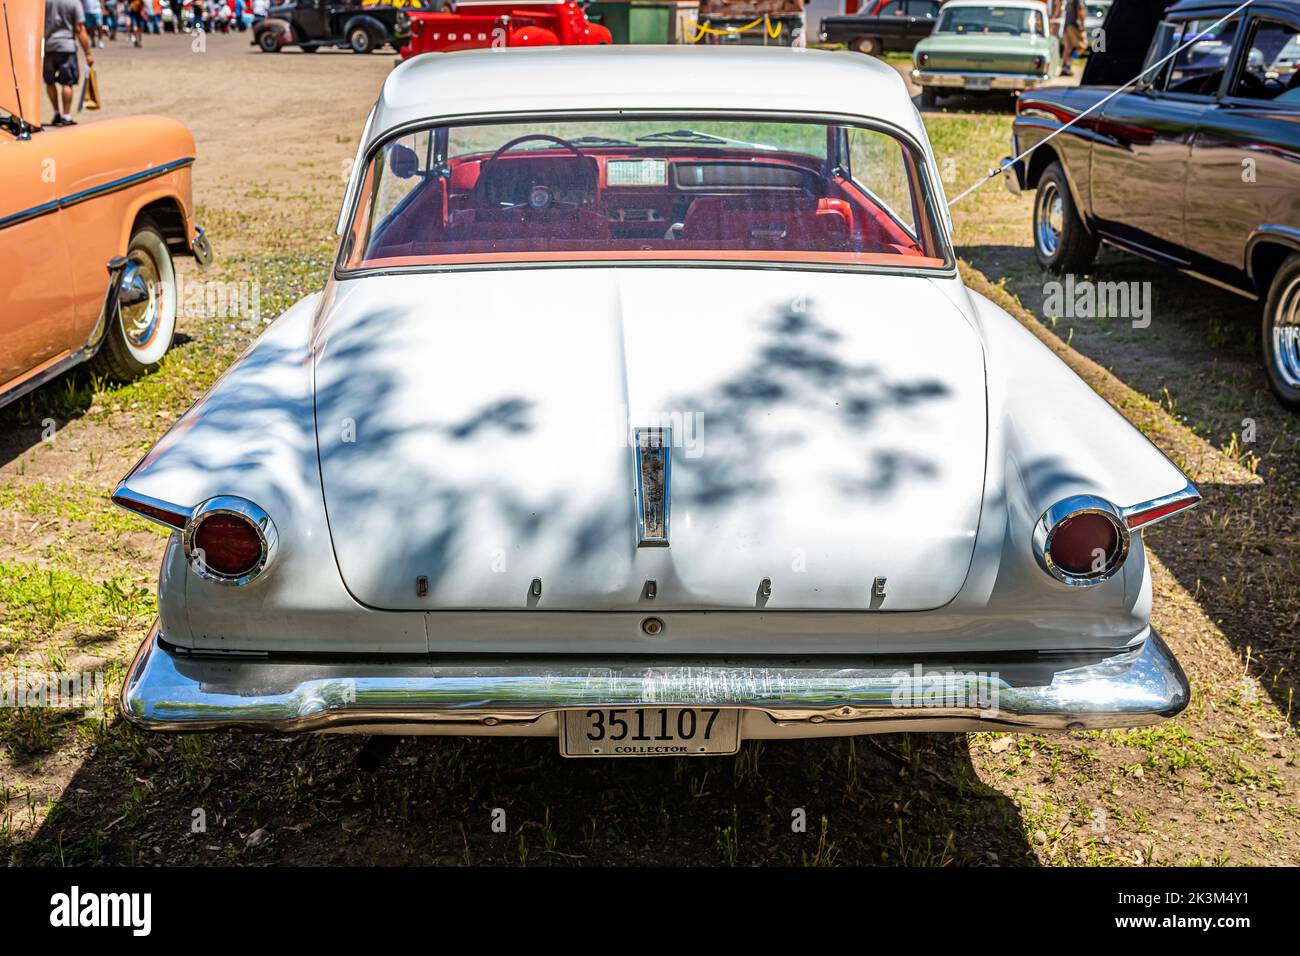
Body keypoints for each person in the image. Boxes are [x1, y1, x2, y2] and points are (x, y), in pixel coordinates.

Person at [44, 0, 94, 126]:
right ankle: (66, 116)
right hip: (66, 47)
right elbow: (79, 29)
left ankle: (56, 113)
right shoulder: (73, 2)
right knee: (67, 83)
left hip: (48, 46)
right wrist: (87, 52)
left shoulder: (45, 2)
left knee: (50, 81)